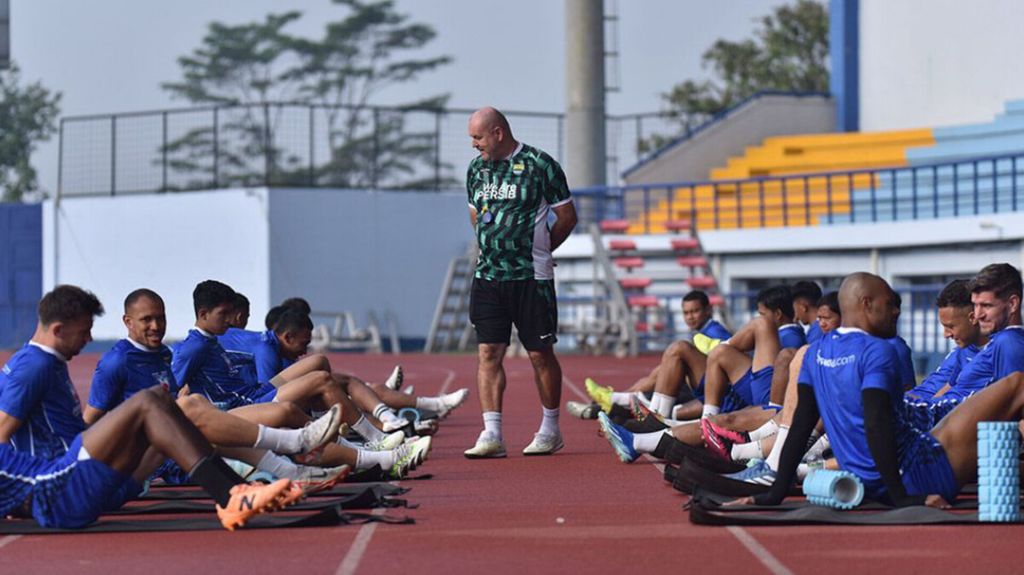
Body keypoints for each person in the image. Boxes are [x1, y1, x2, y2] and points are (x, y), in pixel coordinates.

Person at [747, 271, 1024, 507]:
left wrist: (775, 493)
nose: (895, 312)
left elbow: (800, 426)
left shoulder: (815, 353)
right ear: (867, 304)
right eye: (890, 304)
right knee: (1018, 383)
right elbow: (876, 421)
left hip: (865, 481)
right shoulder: (879, 350)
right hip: (918, 473)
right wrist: (903, 498)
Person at [1, 386, 301, 531]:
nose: (90, 338)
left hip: (73, 485)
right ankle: (231, 494)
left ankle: (238, 490)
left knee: (163, 407)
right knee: (146, 402)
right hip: (60, 493)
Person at [463, 106, 578, 458]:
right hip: (488, 276)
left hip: (531, 277)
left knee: (540, 354)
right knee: (488, 353)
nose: (474, 145)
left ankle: (550, 428)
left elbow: (567, 216)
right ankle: (492, 433)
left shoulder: (540, 165)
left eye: (478, 138)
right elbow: (474, 215)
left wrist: (542, 247)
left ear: (498, 133)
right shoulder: (476, 169)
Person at [579, 290, 731, 419]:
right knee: (662, 372)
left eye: (695, 311)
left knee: (670, 363)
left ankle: (616, 400)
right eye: (686, 313)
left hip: (714, 393)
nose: (690, 317)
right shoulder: (704, 332)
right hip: (703, 390)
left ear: (708, 310)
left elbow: (720, 366)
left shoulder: (715, 332)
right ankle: (617, 400)